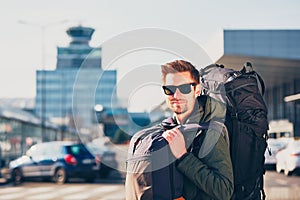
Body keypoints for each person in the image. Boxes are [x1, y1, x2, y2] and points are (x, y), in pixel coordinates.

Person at [160, 60, 233, 200]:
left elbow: (224, 190)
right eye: (169, 89)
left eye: (185, 88)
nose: (176, 95)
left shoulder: (210, 132)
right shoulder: (166, 128)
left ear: (197, 90)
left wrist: (183, 156)